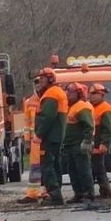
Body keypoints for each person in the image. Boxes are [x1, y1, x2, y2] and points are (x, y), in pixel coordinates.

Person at [33, 68, 68, 205]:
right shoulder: (57, 92)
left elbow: (47, 117)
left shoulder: (51, 94)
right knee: (55, 164)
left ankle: (54, 195)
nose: (40, 81)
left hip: (50, 137)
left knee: (47, 165)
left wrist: (39, 134)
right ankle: (56, 192)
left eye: (42, 78)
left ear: (50, 79)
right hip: (57, 136)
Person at [62, 82, 95, 204]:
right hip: (70, 144)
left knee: (83, 169)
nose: (68, 94)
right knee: (73, 171)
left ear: (79, 93)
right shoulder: (70, 107)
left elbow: (89, 126)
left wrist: (87, 141)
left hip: (79, 144)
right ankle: (79, 193)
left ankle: (88, 193)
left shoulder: (82, 107)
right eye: (67, 91)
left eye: (71, 91)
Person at [19, 88, 46, 204]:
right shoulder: (29, 102)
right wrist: (26, 141)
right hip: (35, 141)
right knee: (35, 168)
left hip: (46, 140)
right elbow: (27, 123)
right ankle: (32, 194)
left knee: (48, 167)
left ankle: (47, 192)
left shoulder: (49, 99)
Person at [88, 83, 111, 198]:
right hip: (92, 144)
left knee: (98, 168)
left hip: (99, 144)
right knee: (95, 168)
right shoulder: (91, 107)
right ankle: (102, 191)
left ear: (102, 94)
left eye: (94, 94)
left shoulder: (106, 109)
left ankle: (105, 191)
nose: (91, 96)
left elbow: (108, 129)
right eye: (90, 94)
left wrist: (105, 144)